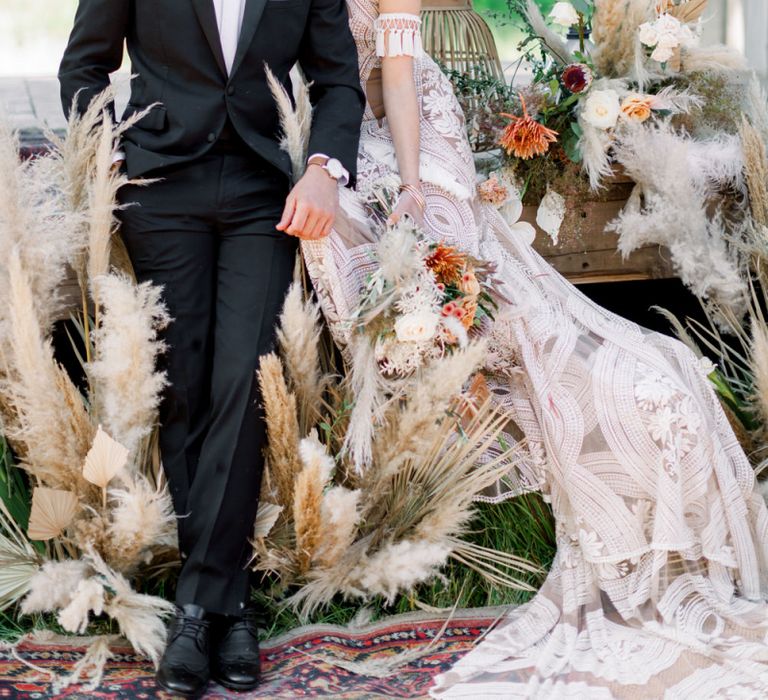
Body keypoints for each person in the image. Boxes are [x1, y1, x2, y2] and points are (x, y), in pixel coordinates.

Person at [300, 0, 768, 696]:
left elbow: (395, 75)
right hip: (321, 139)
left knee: (460, 270)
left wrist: (415, 186)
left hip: (408, 124)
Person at [58, 1, 364, 696]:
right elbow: (84, 64)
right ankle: (232, 606)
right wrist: (106, 148)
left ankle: (198, 610)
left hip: (263, 189)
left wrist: (324, 167)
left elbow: (338, 79)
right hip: (158, 183)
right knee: (185, 386)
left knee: (246, 380)